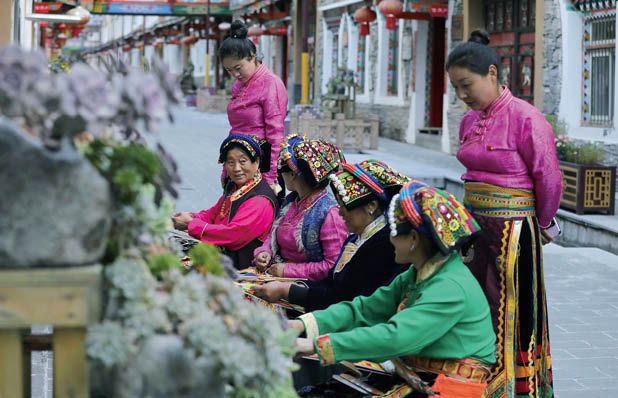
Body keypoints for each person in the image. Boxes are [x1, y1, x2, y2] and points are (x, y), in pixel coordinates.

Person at [289, 181, 496, 397]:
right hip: (420, 376)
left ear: (414, 239)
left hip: (450, 387)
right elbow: (366, 309)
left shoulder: (450, 287)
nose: (390, 239)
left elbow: (396, 337)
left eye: (394, 232)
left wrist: (314, 345)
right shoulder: (419, 272)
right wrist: (302, 324)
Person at [446, 29, 561, 398]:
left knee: (508, 308)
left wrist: (543, 224)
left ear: (492, 74)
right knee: (473, 301)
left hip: (513, 231)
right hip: (475, 229)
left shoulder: (527, 118)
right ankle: (475, 381)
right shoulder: (468, 121)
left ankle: (513, 387)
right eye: (456, 89)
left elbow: (549, 177)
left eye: (467, 85)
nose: (462, 96)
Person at [254, 160, 410, 312]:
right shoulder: (356, 238)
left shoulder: (383, 246)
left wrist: (288, 290)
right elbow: (332, 282)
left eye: (344, 206)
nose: (340, 212)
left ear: (371, 206)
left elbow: (346, 298)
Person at [171, 134, 278, 269]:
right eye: (230, 162)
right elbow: (214, 213)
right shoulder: (236, 187)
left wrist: (191, 225)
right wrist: (190, 217)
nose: (236, 168)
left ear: (256, 162)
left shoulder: (260, 200)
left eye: (243, 161)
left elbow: (233, 235)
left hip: (241, 268)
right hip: (221, 255)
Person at [251, 134, 347, 281]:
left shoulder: (330, 213)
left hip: (304, 286)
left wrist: (288, 270)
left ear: (292, 174)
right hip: (276, 273)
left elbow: (333, 265)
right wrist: (264, 252)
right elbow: (273, 235)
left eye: (281, 172)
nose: (280, 177)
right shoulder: (291, 201)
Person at [219, 20, 288, 195]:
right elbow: (235, 129)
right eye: (229, 71)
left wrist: (271, 177)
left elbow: (276, 134)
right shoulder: (238, 85)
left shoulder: (271, 83)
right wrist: (226, 167)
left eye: (238, 68)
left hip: (260, 167)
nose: (235, 75)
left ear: (252, 55)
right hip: (236, 162)